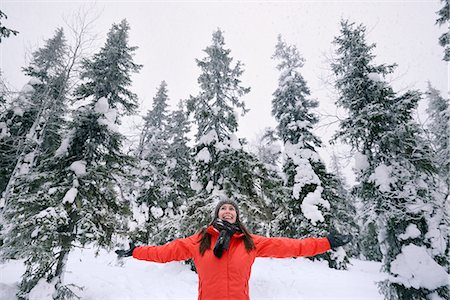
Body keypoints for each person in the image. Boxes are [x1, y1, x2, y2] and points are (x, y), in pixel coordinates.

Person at [116, 199, 352, 300]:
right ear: (217, 214)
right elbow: (164, 253)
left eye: (232, 209)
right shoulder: (200, 240)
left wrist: (326, 242)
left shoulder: (249, 242)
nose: (228, 211)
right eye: (223, 209)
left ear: (237, 216)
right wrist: (136, 250)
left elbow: (292, 246)